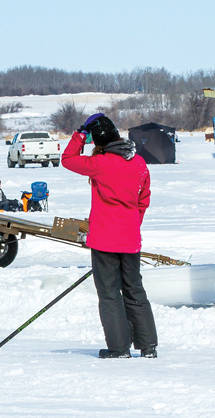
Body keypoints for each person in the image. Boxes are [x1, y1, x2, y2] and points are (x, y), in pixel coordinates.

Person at [62, 113, 158, 359]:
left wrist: (80, 134)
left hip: (105, 239)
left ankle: (119, 347)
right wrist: (132, 226)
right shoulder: (138, 163)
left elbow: (68, 159)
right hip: (130, 238)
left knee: (109, 294)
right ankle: (148, 347)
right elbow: (143, 200)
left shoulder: (100, 164)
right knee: (134, 290)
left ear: (99, 142)